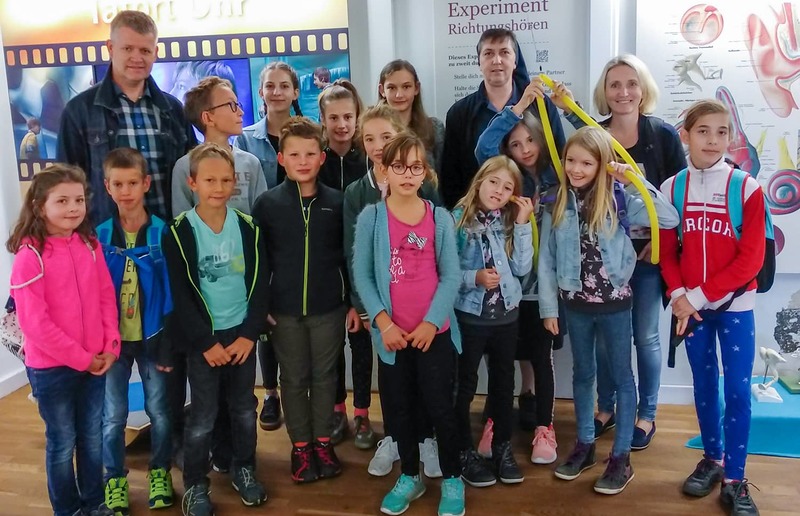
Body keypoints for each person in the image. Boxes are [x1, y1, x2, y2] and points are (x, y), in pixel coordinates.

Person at [550, 54, 687, 449]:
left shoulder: (662, 136)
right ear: (605, 92)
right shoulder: (598, 133)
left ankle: (646, 414)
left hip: (648, 258)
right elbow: (584, 145)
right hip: (606, 261)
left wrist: (659, 243)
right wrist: (564, 106)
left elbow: (675, 200)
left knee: (644, 336)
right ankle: (606, 408)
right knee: (607, 341)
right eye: (614, 85)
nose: (623, 92)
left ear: (643, 90)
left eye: (631, 83)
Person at [538, 127, 679, 495]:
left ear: (602, 165)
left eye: (587, 163)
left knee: (621, 377)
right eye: (571, 160)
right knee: (583, 374)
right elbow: (547, 259)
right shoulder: (556, 202)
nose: (576, 169)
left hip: (615, 303)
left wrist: (635, 182)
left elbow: (669, 218)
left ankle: (621, 457)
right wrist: (549, 308)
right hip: (576, 304)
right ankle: (585, 444)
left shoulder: (620, 198)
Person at [660, 99, 765, 516]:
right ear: (685, 135)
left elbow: (751, 259)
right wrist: (678, 295)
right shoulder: (672, 188)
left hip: (734, 306)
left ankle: (735, 478)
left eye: (722, 132)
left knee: (737, 390)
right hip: (692, 308)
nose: (713, 140)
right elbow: (667, 251)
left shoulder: (747, 188)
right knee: (704, 386)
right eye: (703, 131)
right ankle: (713, 458)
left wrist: (696, 297)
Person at [352, 133, 465, 516]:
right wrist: (383, 323)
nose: (407, 174)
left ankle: (452, 477)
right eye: (398, 166)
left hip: (434, 336)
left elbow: (451, 276)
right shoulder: (372, 218)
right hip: (393, 338)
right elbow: (363, 275)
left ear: (424, 173)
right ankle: (410, 475)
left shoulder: (440, 218)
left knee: (440, 409)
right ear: (384, 170)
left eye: (415, 167)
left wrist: (432, 323)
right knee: (399, 411)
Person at [163, 143, 269, 515]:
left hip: (241, 337)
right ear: (192, 183)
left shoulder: (248, 228)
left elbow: (260, 285)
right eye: (209, 180)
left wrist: (249, 334)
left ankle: (244, 468)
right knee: (203, 416)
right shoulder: (178, 232)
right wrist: (205, 342)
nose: (219, 187)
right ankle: (195, 484)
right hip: (204, 342)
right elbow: (181, 295)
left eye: (226, 180)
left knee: (243, 409)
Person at [252, 117, 359, 484]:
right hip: (282, 312)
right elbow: (258, 260)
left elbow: (348, 256)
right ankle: (300, 446)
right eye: (294, 154)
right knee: (294, 378)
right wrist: (261, 306)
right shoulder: (267, 204)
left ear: (322, 157)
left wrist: (351, 302)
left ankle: (323, 442)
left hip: (329, 308)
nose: (303, 161)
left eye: (310, 153)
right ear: (281, 158)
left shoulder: (337, 202)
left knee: (326, 376)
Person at [8, 164, 120, 516]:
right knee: (62, 442)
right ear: (40, 206)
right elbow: (35, 325)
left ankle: (95, 503)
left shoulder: (90, 245)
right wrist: (82, 358)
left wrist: (111, 345)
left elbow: (106, 296)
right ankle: (68, 510)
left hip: (95, 363)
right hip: (53, 370)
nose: (73, 208)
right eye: (62, 201)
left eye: (79, 200)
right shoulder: (29, 257)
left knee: (91, 438)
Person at [344, 105, 442, 478]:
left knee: (424, 376)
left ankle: (425, 438)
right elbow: (352, 254)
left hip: (420, 303)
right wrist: (366, 309)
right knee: (392, 377)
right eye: (369, 139)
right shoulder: (356, 193)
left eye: (385, 137)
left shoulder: (424, 184)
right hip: (380, 307)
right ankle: (395, 437)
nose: (377, 146)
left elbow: (438, 246)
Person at [475, 80, 562, 465]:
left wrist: (561, 105)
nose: (525, 149)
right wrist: (519, 104)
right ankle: (496, 422)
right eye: (515, 144)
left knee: (541, 358)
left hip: (543, 290)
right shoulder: (507, 184)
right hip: (507, 289)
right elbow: (483, 149)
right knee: (501, 360)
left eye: (530, 141)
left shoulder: (557, 177)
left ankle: (545, 427)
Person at [57, 10, 196, 223]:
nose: (137, 58)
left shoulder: (174, 110)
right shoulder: (79, 111)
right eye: (128, 48)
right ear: (111, 48)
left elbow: (191, 175)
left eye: (145, 50)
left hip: (169, 234)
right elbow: (66, 184)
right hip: (105, 237)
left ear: (155, 53)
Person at [97, 148, 174, 514]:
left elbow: (172, 291)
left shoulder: (162, 232)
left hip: (152, 338)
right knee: (113, 416)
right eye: (118, 184)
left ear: (146, 184)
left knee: (160, 410)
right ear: (107, 187)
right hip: (112, 343)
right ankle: (114, 479)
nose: (125, 191)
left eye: (132, 183)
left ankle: (160, 472)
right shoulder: (99, 235)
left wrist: (169, 342)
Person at [452, 155, 533, 487]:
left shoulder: (510, 221)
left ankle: (501, 447)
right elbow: (444, 271)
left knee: (503, 385)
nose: (499, 191)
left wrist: (524, 223)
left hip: (506, 318)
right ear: (480, 182)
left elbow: (522, 268)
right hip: (470, 319)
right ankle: (462, 450)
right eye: (494, 182)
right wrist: (474, 277)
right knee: (463, 386)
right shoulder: (457, 220)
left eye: (507, 187)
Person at [234, 61, 302, 432]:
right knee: (266, 319)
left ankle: (302, 392)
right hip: (262, 239)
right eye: (270, 86)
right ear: (261, 92)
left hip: (300, 238)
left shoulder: (309, 133)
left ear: (295, 92)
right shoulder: (245, 139)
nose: (276, 92)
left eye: (284, 86)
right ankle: (271, 393)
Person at [441, 28, 565, 208]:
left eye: (504, 52)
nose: (497, 60)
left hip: (538, 214)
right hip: (480, 219)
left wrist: (570, 109)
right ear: (479, 62)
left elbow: (560, 156)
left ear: (515, 61)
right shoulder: (459, 113)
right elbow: (451, 179)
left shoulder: (541, 104)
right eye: (488, 53)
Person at [316, 79, 375, 448]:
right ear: (323, 120)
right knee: (331, 347)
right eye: (334, 117)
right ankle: (337, 409)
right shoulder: (315, 161)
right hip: (325, 270)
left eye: (348, 117)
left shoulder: (368, 161)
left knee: (362, 344)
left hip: (361, 269)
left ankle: (363, 413)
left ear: (357, 117)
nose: (341, 124)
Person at [172, 76, 267, 216]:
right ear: (208, 117)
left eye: (238, 104)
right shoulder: (185, 166)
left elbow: (262, 216)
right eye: (231, 105)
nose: (241, 112)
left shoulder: (251, 163)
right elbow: (181, 220)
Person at [377, 59, 445, 174]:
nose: (399, 95)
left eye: (406, 87)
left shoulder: (435, 128)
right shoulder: (373, 131)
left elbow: (444, 175)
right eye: (392, 88)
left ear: (416, 88)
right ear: (382, 90)